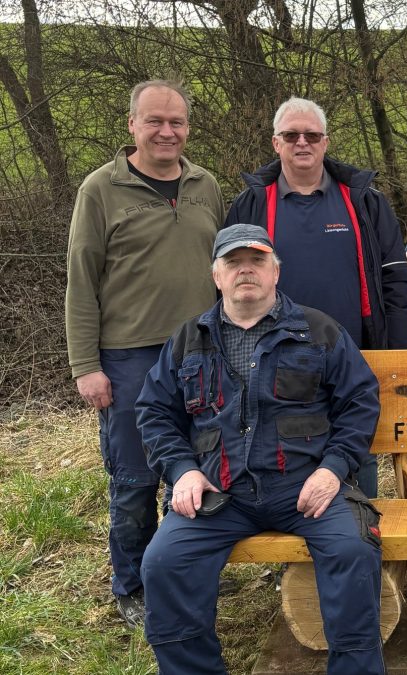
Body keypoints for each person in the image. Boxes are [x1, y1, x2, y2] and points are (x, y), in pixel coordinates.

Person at [136, 224, 384, 674]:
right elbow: (154, 412)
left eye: (257, 261)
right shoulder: (189, 339)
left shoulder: (318, 330)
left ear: (275, 272)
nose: (245, 270)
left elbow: (360, 402)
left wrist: (333, 468)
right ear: (216, 275)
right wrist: (182, 471)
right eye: (233, 262)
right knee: (162, 563)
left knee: (353, 552)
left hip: (306, 490)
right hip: (220, 495)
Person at [64, 79, 224, 627]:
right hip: (129, 358)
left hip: (200, 352)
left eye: (176, 122)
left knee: (197, 472)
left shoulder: (207, 185)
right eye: (154, 121)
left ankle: (180, 577)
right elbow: (81, 283)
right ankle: (131, 586)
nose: (166, 131)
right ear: (132, 124)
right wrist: (86, 365)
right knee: (135, 480)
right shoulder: (100, 189)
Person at [224, 96, 407, 499]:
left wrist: (396, 353)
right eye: (291, 135)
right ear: (276, 143)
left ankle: (361, 550)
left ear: (326, 142)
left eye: (311, 134)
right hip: (273, 364)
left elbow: (396, 280)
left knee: (357, 459)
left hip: (355, 360)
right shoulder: (251, 205)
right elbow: (228, 286)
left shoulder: (363, 201)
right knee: (283, 465)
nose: (302, 142)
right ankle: (299, 556)